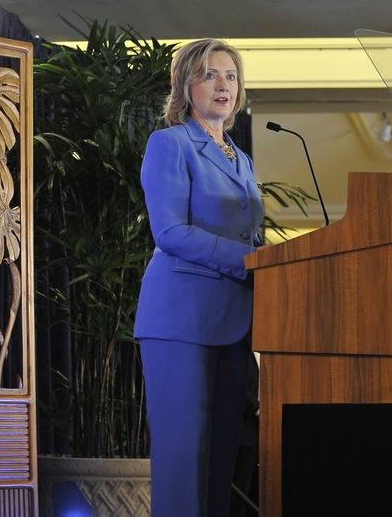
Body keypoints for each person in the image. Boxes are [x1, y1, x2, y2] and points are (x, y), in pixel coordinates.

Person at [134, 39, 265, 517]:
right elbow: (171, 232)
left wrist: (268, 258)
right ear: (186, 85)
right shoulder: (169, 144)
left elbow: (249, 236)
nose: (223, 85)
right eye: (210, 75)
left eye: (230, 76)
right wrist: (252, 261)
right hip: (180, 322)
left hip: (234, 324)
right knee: (184, 462)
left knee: (220, 466)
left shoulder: (241, 159)